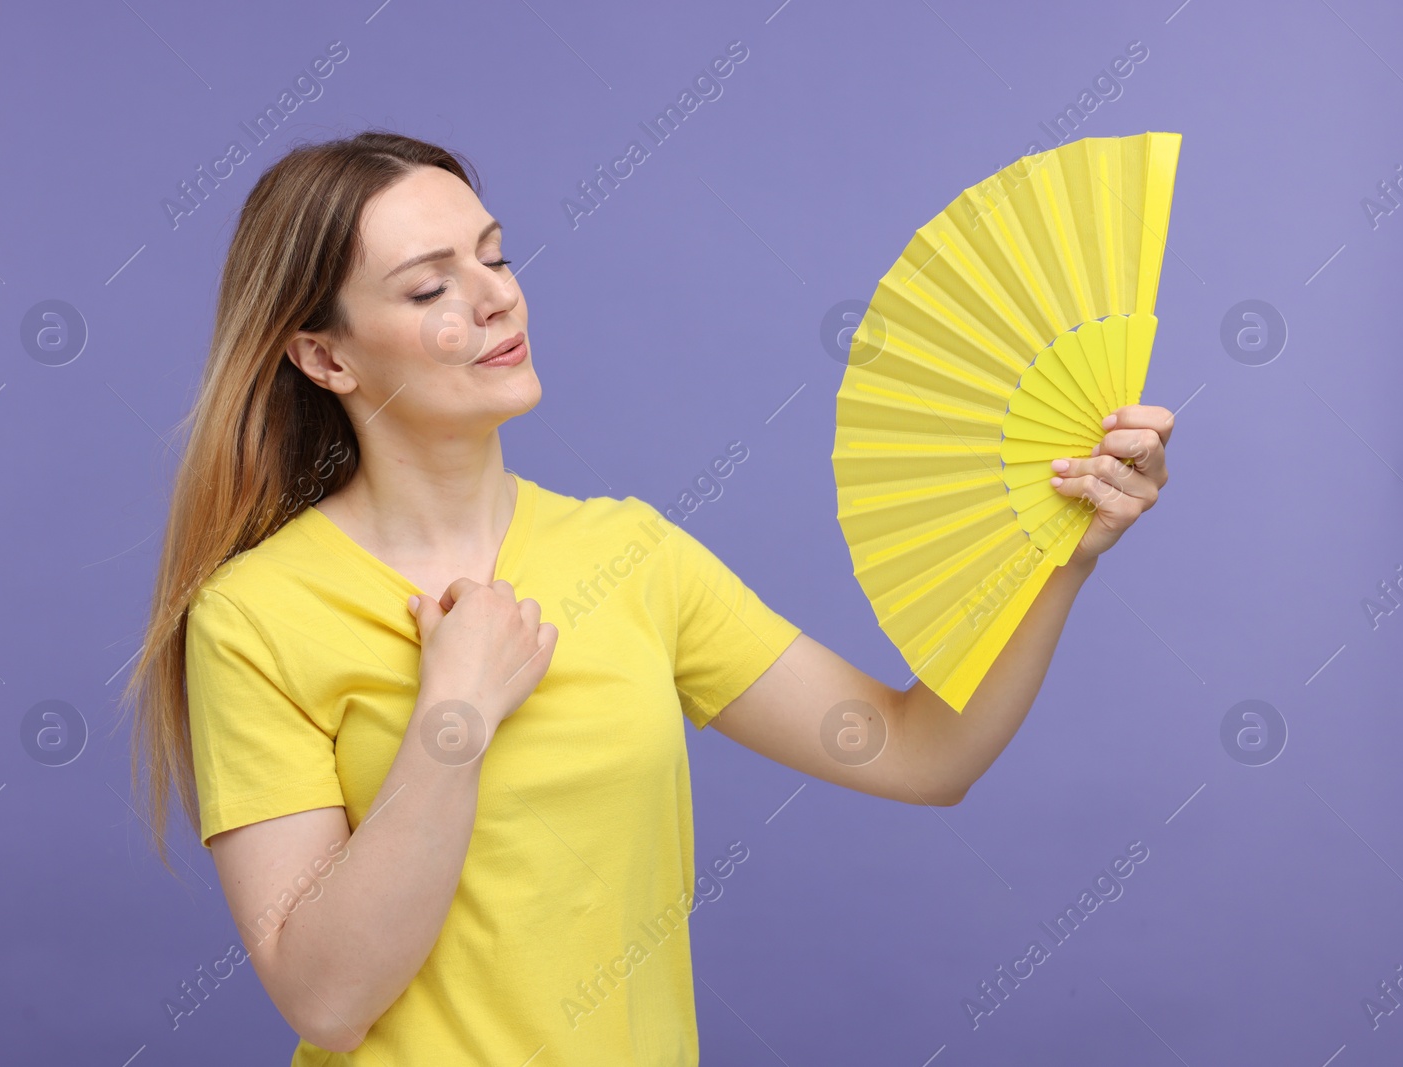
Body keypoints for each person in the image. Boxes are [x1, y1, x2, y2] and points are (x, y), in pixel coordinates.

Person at [122, 130, 1174, 1064]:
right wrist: (455, 715)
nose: (495, 296)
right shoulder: (254, 615)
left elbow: (918, 751)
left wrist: (1063, 557)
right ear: (322, 354)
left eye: (493, 255)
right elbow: (328, 996)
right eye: (428, 286)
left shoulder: (631, 553)